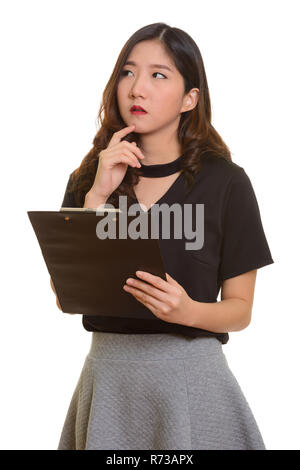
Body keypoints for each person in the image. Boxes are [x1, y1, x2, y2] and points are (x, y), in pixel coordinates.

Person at [53, 22, 274, 450]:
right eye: (128, 72)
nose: (137, 89)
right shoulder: (87, 180)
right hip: (108, 381)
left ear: (190, 98)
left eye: (159, 75)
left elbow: (241, 310)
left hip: (191, 383)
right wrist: (97, 193)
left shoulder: (226, 183)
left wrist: (188, 310)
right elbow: (66, 297)